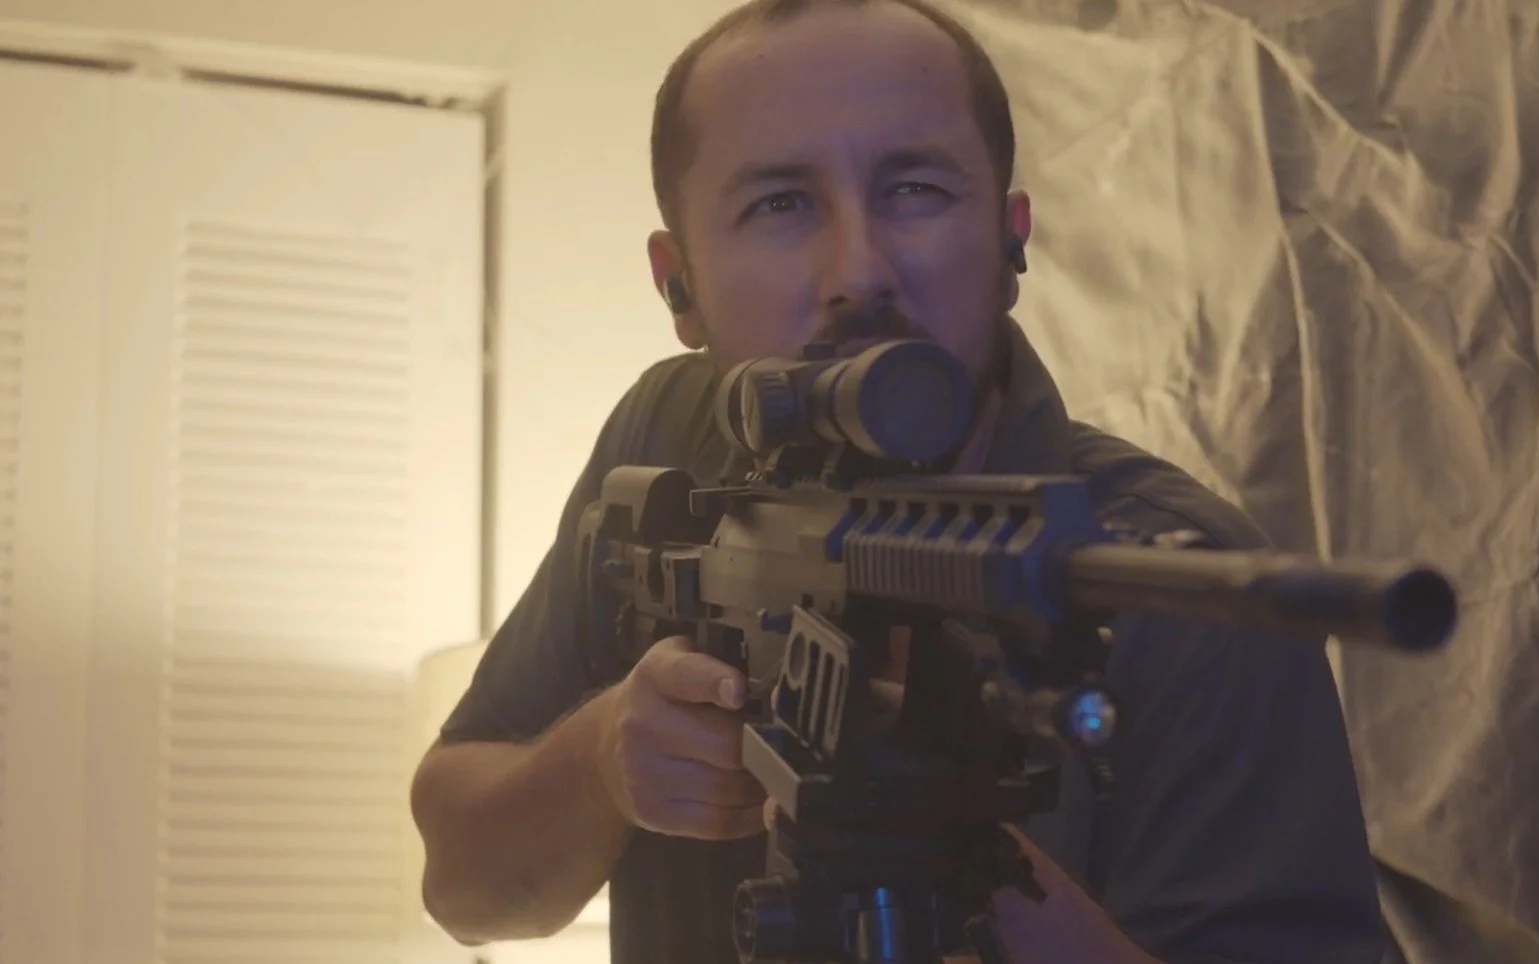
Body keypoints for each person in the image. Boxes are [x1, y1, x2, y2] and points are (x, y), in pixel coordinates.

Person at [410, 1, 1388, 962]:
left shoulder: (1179, 581)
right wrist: (603, 760)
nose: (858, 269)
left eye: (915, 189)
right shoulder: (666, 435)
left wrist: (948, 842)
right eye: (780, 204)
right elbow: (464, 887)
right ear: (680, 287)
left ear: (1011, 243)